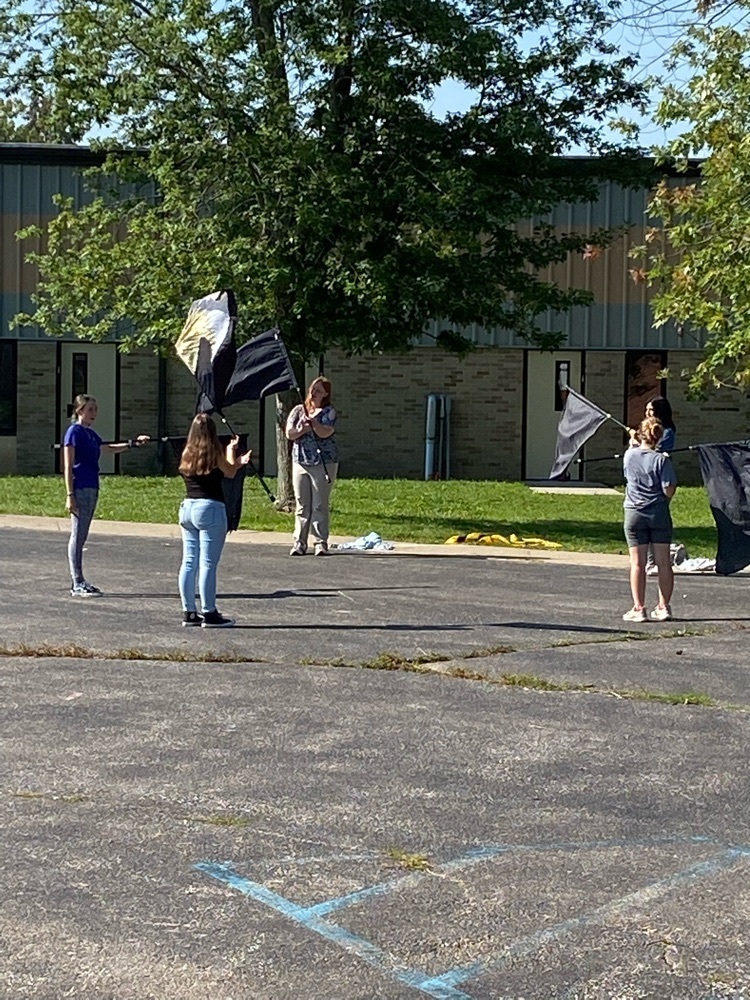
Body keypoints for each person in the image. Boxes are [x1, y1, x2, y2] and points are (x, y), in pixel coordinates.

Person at [63, 394, 150, 597]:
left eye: (95, 409)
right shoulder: (73, 432)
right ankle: (77, 582)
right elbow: (68, 466)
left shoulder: (91, 435)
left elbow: (108, 448)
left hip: (92, 487)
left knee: (82, 535)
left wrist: (133, 444)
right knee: (78, 535)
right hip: (80, 488)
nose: (94, 413)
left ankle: (80, 580)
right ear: (80, 411)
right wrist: (69, 494)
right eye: (90, 409)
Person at [177, 413, 252, 628]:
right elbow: (230, 472)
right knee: (208, 563)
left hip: (187, 507)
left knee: (189, 562)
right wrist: (237, 457)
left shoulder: (187, 453)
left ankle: (189, 611)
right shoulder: (214, 452)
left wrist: (231, 453)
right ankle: (209, 612)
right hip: (210, 507)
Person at [622, 415, 677, 623]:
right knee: (663, 563)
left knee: (637, 563)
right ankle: (663, 607)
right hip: (658, 512)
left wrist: (632, 442)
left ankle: (639, 608)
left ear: (641, 434)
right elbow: (668, 489)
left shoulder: (629, 456)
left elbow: (631, 458)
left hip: (634, 513)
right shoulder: (662, 460)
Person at [285, 376, 339, 556]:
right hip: (301, 461)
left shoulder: (329, 412)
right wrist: (302, 429)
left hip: (323, 462)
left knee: (319, 504)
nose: (313, 392)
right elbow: (289, 433)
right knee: (302, 504)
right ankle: (299, 542)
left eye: (318, 390)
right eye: (312, 389)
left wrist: (314, 424)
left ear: (325, 393)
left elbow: (326, 432)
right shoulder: (299, 410)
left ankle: (320, 542)